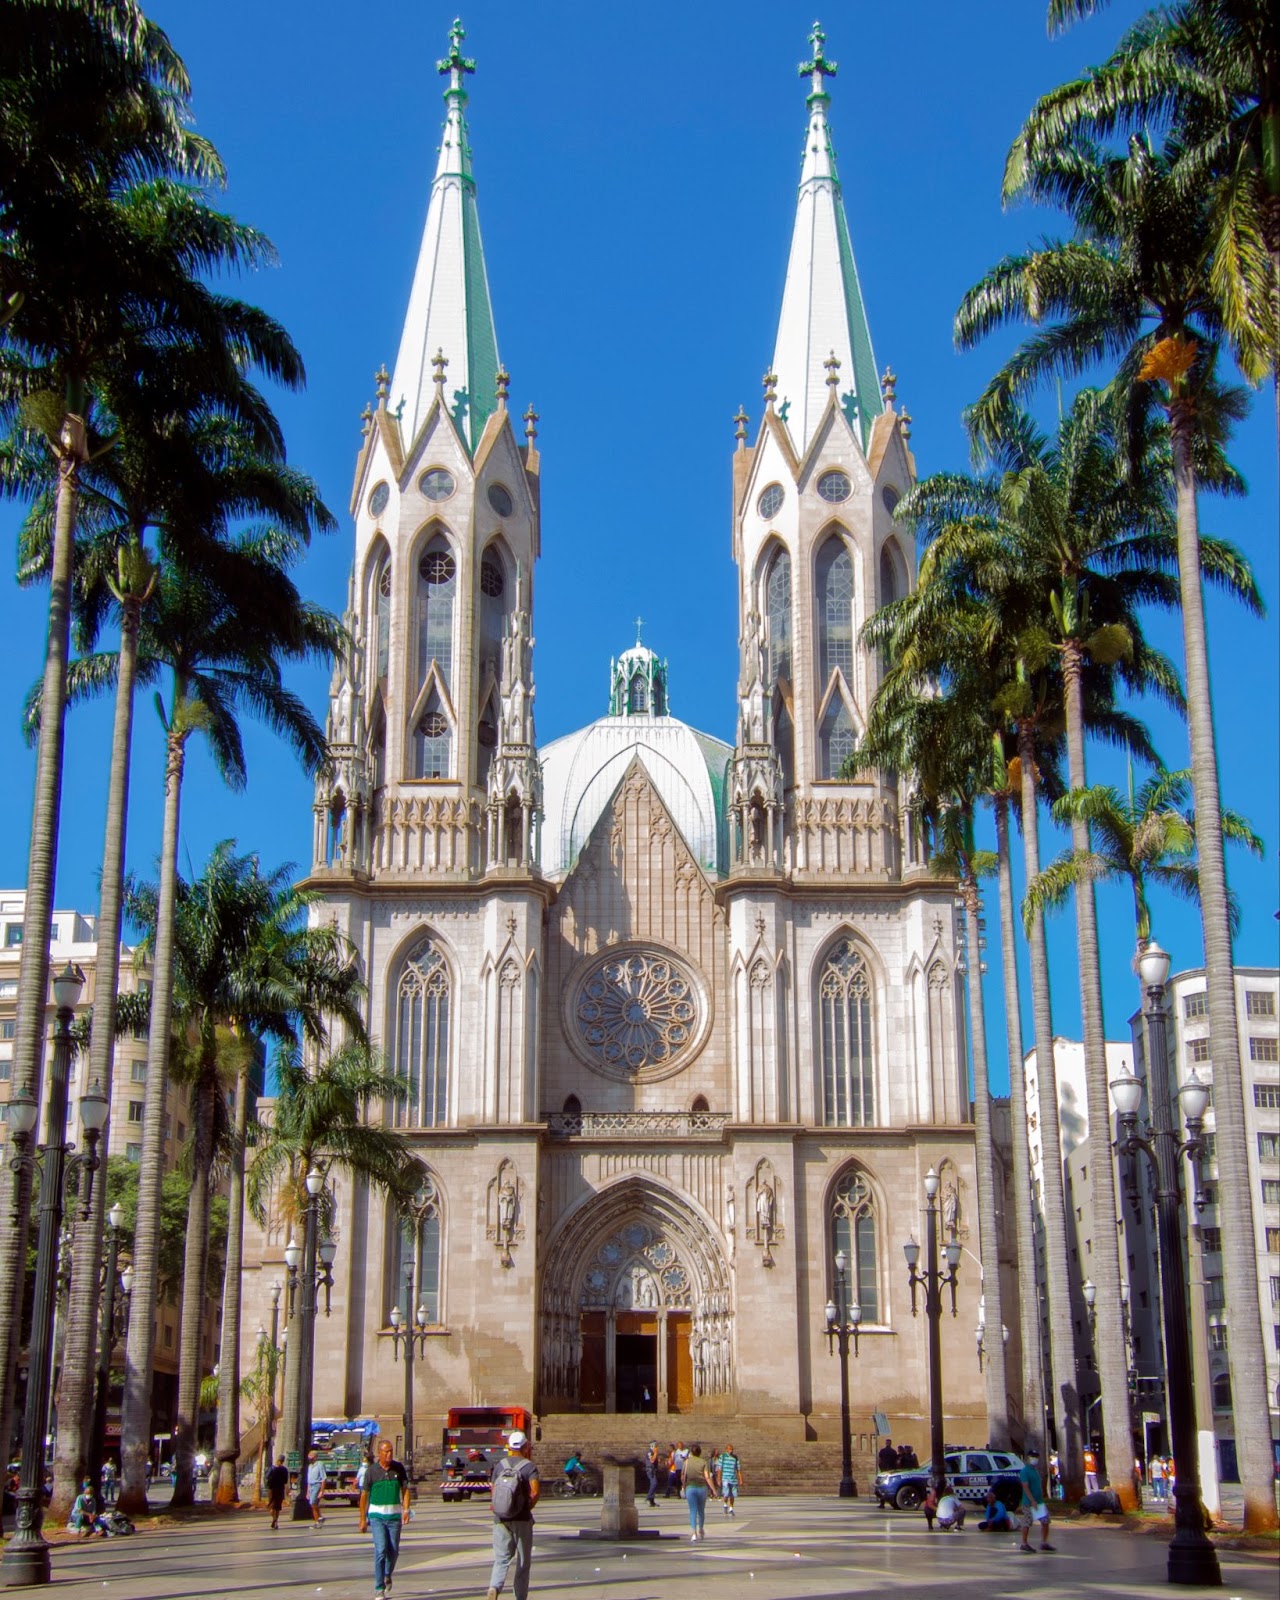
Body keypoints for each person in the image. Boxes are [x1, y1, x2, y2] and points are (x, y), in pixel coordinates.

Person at [487, 1428, 539, 1600]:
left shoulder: (500, 1465)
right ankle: (520, 1597)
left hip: (500, 1518)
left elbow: (494, 1491)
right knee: (523, 1563)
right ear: (525, 1447)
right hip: (522, 1519)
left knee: (501, 1558)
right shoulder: (529, 1466)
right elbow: (535, 1492)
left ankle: (495, 1587)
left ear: (509, 1447)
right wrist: (527, 1507)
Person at [359, 1436, 411, 1600]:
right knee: (381, 1550)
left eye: (391, 1451)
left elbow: (405, 1490)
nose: (389, 1455)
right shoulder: (371, 1471)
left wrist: (406, 1509)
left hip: (394, 1516)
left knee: (393, 1550)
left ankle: (387, 1573)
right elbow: (364, 1495)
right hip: (377, 1517)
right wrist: (362, 1518)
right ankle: (379, 1587)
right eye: (386, 1452)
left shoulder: (398, 1469)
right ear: (379, 1453)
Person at [1016, 1449, 1054, 1553]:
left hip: (1039, 1501)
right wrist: (1032, 1500)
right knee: (1027, 1522)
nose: (1034, 1459)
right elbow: (1025, 1487)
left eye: (1036, 1457)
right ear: (1028, 1458)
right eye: (1032, 1457)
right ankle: (1024, 1543)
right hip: (1029, 1502)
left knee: (1045, 1521)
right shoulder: (1025, 1471)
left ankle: (1044, 1542)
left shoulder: (1035, 1470)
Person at [682, 1444, 714, 1541]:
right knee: (701, 1510)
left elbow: (683, 1476)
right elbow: (707, 1477)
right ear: (700, 1452)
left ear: (691, 1452)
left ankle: (694, 1533)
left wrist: (683, 1485)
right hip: (702, 1488)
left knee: (693, 1510)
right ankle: (701, 1529)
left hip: (690, 1488)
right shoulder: (704, 1462)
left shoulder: (686, 1462)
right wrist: (714, 1489)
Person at [265, 1454, 290, 1529]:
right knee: (278, 1507)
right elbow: (285, 1481)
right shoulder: (284, 1469)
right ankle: (276, 1521)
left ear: (277, 1460)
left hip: (272, 1489)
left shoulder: (272, 1468)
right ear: (283, 1461)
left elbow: (266, 1477)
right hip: (280, 1489)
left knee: (271, 1506)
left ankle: (274, 1519)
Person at [717, 1443, 742, 1515]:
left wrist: (740, 1479)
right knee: (726, 1494)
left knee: (733, 1495)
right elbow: (719, 1469)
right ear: (726, 1449)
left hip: (733, 1479)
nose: (731, 1451)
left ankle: (731, 1508)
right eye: (729, 1449)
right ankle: (725, 1504)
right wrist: (719, 1479)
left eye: (732, 1449)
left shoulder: (735, 1458)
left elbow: (738, 1469)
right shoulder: (722, 1457)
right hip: (725, 1478)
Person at [304, 1450, 327, 1525]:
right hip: (311, 1486)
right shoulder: (310, 1466)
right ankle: (317, 1521)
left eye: (311, 1456)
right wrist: (307, 1492)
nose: (310, 1458)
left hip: (317, 1485)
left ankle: (319, 1517)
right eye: (309, 1456)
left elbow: (324, 1478)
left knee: (312, 1503)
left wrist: (321, 1491)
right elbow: (309, 1480)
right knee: (313, 1505)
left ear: (315, 1457)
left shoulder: (320, 1464)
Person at [645, 1441, 661, 1507]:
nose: (657, 1447)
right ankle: (648, 1497)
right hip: (650, 1470)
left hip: (654, 1470)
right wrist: (656, 1453)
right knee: (654, 1483)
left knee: (654, 1484)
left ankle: (652, 1501)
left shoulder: (653, 1452)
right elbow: (652, 1460)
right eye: (656, 1446)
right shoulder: (650, 1452)